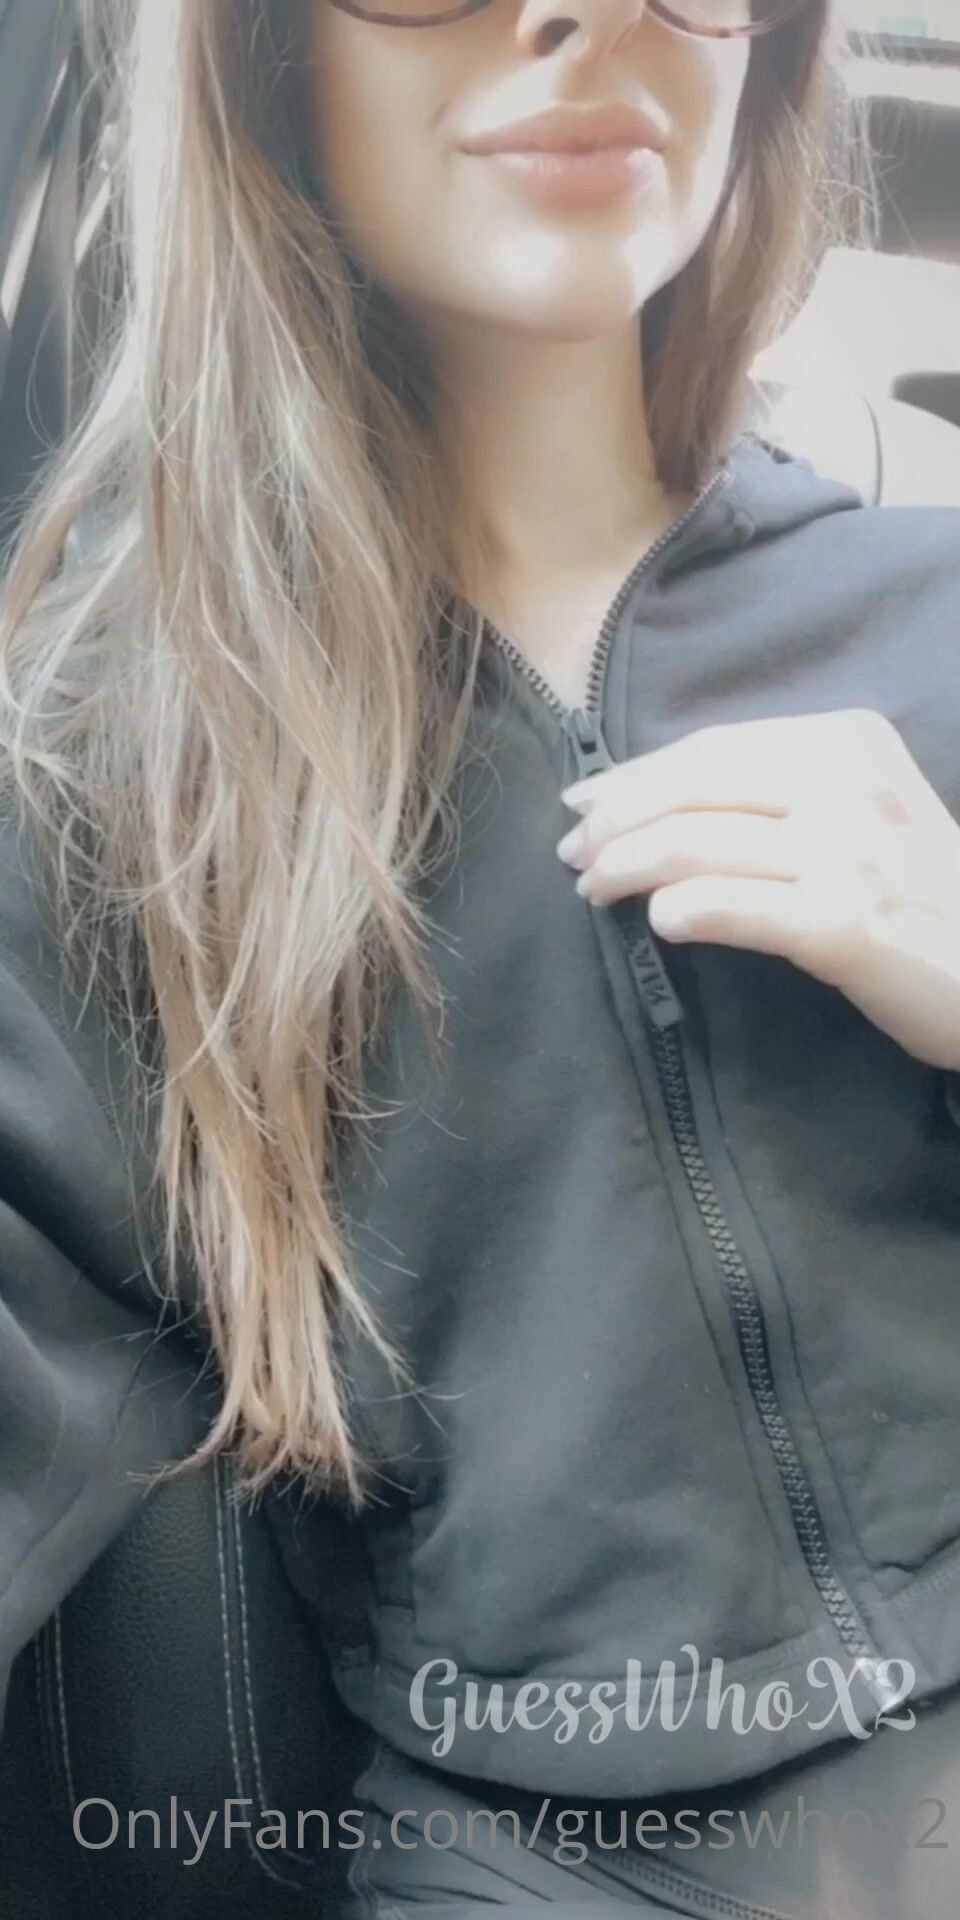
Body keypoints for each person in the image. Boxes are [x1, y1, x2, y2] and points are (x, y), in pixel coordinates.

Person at [1, 0, 960, 1913]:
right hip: (526, 1846)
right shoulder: (110, 774)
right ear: (267, 52)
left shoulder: (930, 617)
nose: (581, 12)